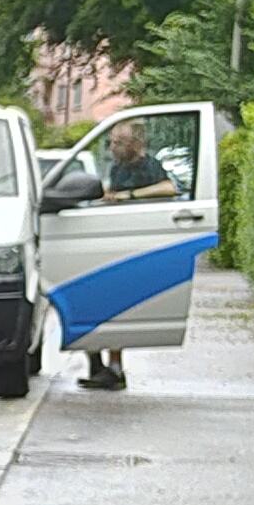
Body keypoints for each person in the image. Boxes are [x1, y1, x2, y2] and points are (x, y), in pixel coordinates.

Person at [80, 120, 179, 390]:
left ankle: (114, 368)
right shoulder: (117, 167)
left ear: (136, 143)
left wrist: (130, 195)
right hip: (114, 237)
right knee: (92, 302)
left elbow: (169, 188)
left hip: (136, 241)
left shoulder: (150, 166)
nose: (112, 147)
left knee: (113, 304)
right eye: (112, 142)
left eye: (119, 142)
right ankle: (97, 365)